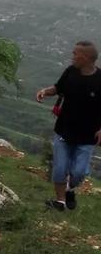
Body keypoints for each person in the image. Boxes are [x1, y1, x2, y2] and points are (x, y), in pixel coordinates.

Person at [36, 41, 101, 211]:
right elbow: (58, 88)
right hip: (64, 130)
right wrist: (45, 91)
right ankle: (60, 202)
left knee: (78, 172)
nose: (72, 56)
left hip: (87, 136)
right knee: (59, 168)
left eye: (75, 54)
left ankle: (69, 189)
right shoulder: (70, 72)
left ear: (86, 57)